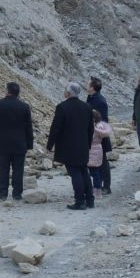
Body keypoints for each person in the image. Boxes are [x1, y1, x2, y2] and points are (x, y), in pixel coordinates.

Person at [47, 82, 95, 210]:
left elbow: (55, 128)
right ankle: (90, 200)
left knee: (75, 173)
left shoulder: (62, 107)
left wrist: (49, 145)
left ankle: (79, 201)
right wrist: (88, 144)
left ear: (68, 93)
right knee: (84, 171)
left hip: (68, 146)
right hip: (83, 145)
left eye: (64, 89)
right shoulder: (87, 107)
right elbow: (91, 129)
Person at [0, 81, 34, 201]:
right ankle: (17, 194)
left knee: (3, 168)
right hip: (20, 143)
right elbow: (28, 127)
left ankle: (2, 194)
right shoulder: (24, 106)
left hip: (3, 142)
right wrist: (30, 144)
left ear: (7, 91)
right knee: (18, 169)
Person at [86, 76, 111, 193]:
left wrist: (97, 130)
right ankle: (98, 184)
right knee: (97, 161)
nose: (86, 86)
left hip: (99, 135)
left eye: (88, 84)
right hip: (93, 135)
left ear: (93, 87)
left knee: (103, 161)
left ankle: (106, 186)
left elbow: (103, 119)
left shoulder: (100, 100)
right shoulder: (91, 98)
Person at [89, 109, 113, 198]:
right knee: (96, 172)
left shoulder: (91, 128)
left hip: (90, 150)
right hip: (98, 150)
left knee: (90, 172)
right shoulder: (101, 128)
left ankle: (91, 189)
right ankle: (98, 191)